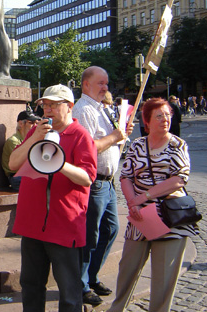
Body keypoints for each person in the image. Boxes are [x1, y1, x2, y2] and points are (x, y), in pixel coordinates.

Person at [10, 84, 97, 311]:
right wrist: (34, 138)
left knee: (69, 291)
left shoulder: (80, 136)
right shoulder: (36, 131)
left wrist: (60, 164)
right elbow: (13, 163)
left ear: (69, 107)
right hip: (32, 224)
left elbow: (87, 177)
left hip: (63, 224)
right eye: (45, 105)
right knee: (30, 285)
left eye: (53, 105)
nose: (47, 110)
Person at [108, 97, 198, 312]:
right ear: (147, 121)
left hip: (169, 218)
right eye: (159, 115)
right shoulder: (138, 145)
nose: (165, 119)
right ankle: (117, 309)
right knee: (127, 268)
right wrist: (133, 203)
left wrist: (143, 197)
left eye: (168, 115)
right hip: (140, 217)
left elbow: (179, 179)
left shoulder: (178, 144)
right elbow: (126, 176)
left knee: (164, 277)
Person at [72, 66, 134, 306]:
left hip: (108, 183)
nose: (106, 87)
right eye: (101, 83)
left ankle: (93, 276)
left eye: (106, 83)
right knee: (90, 235)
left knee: (110, 230)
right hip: (95, 182)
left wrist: (122, 133)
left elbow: (112, 140)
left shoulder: (102, 109)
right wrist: (115, 137)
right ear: (86, 84)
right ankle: (82, 285)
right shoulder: (83, 109)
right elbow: (87, 148)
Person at [1, 110, 40, 190]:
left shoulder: (31, 139)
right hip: (16, 177)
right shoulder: (13, 141)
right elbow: (22, 164)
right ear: (21, 123)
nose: (35, 126)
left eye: (36, 123)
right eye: (31, 123)